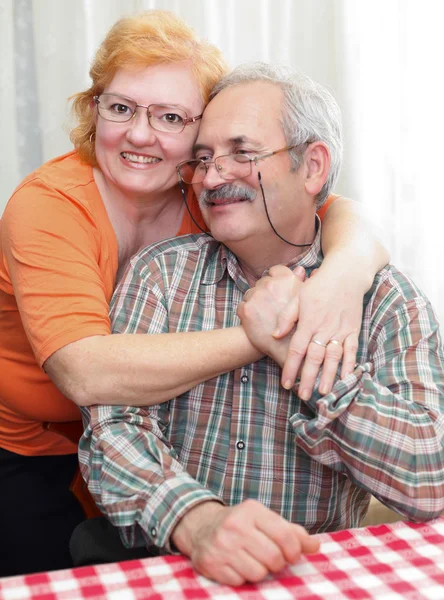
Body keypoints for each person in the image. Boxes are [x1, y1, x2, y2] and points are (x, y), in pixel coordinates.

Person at [0, 11, 388, 576]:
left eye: (171, 117)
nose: (139, 134)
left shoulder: (207, 196)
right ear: (94, 110)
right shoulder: (48, 205)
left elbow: (338, 213)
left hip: (134, 443)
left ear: (199, 134)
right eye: (121, 108)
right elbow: (83, 372)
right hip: (27, 446)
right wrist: (267, 334)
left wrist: (342, 276)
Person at [79, 61, 444, 587]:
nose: (212, 176)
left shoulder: (386, 299)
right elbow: (111, 428)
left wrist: (299, 347)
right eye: (202, 159)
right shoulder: (160, 273)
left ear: (313, 166)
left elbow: (430, 482)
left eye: (241, 152)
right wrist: (196, 521)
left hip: (305, 574)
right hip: (169, 565)